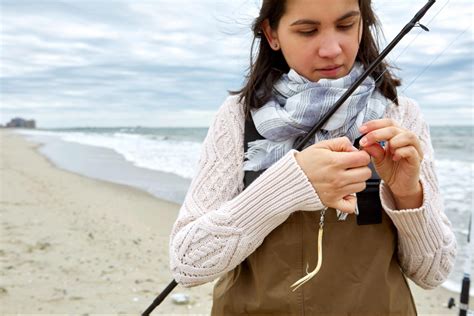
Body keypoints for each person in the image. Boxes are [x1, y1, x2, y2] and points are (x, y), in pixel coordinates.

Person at [169, 0, 457, 314]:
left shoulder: (401, 114)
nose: (332, 49)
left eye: (346, 25)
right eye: (308, 31)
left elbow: (434, 273)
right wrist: (289, 185)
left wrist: (408, 195)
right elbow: (187, 263)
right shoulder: (237, 117)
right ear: (271, 33)